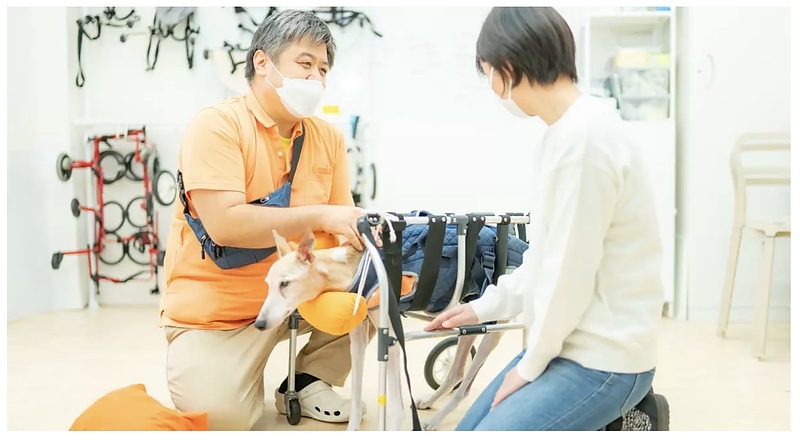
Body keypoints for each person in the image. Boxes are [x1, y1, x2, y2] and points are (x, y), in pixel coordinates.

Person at [425, 7, 670, 431]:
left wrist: (531, 364)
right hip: (568, 345)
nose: (493, 87)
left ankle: (628, 417)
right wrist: (484, 307)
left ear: (505, 67)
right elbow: (547, 257)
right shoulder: (564, 134)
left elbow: (568, 271)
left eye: (488, 73)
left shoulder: (585, 140)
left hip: (603, 358)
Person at [159, 9, 369, 431]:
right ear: (262, 62)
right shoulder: (217, 126)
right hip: (220, 312)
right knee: (220, 418)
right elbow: (225, 225)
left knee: (369, 284)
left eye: (323, 69)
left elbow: (342, 235)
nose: (315, 78)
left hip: (301, 296)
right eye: (305, 63)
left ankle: (311, 377)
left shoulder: (328, 138)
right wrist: (321, 215)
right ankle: (233, 374)